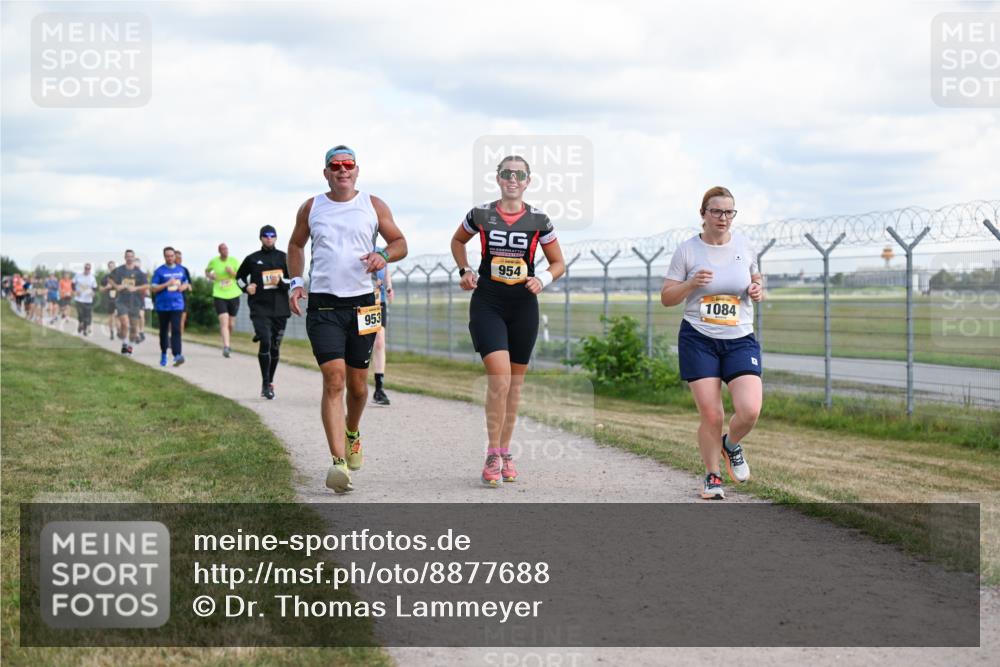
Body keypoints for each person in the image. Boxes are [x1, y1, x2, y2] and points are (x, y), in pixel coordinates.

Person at [287, 144, 407, 494]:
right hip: (323, 306)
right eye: (335, 166)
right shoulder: (312, 207)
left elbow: (400, 242)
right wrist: (296, 282)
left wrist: (383, 254)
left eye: (348, 165)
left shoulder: (373, 204)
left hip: (364, 306)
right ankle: (338, 463)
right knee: (334, 380)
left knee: (357, 385)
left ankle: (352, 431)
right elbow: (295, 246)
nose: (342, 170)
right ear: (326, 172)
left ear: (357, 170)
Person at [450, 155, 565, 487]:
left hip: (524, 306)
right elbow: (458, 241)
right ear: (498, 178)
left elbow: (558, 262)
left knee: (514, 385)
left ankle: (505, 449)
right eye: (506, 173)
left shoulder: (539, 220)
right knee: (498, 379)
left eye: (519, 175)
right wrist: (465, 269)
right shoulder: (481, 215)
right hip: (488, 302)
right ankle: (491, 452)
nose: (512, 179)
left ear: (528, 181)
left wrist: (541, 278)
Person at [660, 186, 764, 500]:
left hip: (740, 338)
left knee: (749, 411)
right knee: (712, 414)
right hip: (699, 338)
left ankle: (729, 445)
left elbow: (756, 278)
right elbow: (667, 298)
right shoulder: (688, 250)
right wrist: (691, 283)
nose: (723, 217)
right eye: (716, 211)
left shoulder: (745, 246)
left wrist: (757, 289)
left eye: (729, 212)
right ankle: (712, 477)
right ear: (703, 214)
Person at [237, 225, 290, 399]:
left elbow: (294, 281)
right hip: (260, 307)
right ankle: (265, 384)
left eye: (272, 235)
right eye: (266, 236)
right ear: (260, 238)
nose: (269, 238)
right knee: (266, 342)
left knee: (275, 348)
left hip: (280, 309)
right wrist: (246, 288)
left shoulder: (284, 258)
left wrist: (281, 282)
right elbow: (238, 277)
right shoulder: (252, 259)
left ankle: (271, 380)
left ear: (276, 238)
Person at [151, 247, 190, 367]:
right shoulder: (159, 271)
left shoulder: (181, 270)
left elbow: (186, 282)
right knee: (163, 331)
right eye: (167, 256)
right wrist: (167, 283)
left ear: (175, 256)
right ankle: (163, 353)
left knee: (176, 330)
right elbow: (153, 288)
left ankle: (177, 355)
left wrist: (183, 286)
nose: (170, 258)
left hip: (177, 305)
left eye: (172, 256)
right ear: (164, 257)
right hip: (162, 306)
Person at [108, 249, 148, 355]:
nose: (129, 258)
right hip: (122, 301)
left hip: (135, 302)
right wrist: (117, 286)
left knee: (134, 328)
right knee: (125, 324)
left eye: (131, 256)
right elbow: (110, 279)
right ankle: (125, 344)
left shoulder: (139, 272)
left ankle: (130, 346)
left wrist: (136, 288)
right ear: (125, 257)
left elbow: (146, 285)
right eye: (128, 256)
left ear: (134, 258)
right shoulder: (119, 270)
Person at [205, 243, 241, 357]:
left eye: (226, 249)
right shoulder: (214, 261)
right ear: (219, 251)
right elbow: (207, 271)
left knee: (231, 324)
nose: (225, 251)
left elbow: (241, 275)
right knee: (224, 321)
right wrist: (210, 276)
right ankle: (226, 346)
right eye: (222, 249)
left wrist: (232, 273)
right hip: (219, 294)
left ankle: (228, 341)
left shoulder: (234, 261)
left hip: (234, 294)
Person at [371, 247, 393, 405]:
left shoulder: (380, 251)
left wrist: (389, 286)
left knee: (379, 342)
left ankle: (379, 390)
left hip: (378, 302)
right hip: (358, 301)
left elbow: (386, 271)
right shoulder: (355, 248)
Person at [73, 263, 98, 336]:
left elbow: (95, 287)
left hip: (88, 299)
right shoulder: (78, 275)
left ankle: (86, 329)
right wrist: (74, 291)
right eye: (86, 268)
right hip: (79, 299)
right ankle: (80, 323)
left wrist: (93, 293)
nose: (87, 270)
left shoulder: (92, 277)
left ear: (90, 269)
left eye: (88, 269)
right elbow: (72, 284)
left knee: (87, 315)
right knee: (80, 314)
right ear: (84, 268)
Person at [174, 250, 193, 334]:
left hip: (181, 297)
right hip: (170, 297)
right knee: (172, 321)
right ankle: (171, 338)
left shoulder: (184, 270)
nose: (179, 259)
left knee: (182, 320)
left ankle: (179, 339)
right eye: (177, 257)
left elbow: (189, 285)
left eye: (180, 257)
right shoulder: (166, 270)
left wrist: (186, 286)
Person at [99, 261, 118, 339]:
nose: (112, 268)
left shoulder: (119, 276)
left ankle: (119, 330)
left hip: (119, 298)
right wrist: (106, 287)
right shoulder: (105, 277)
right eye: (110, 266)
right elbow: (100, 289)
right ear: (108, 268)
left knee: (119, 315)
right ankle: (112, 332)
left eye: (113, 266)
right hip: (110, 299)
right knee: (111, 316)